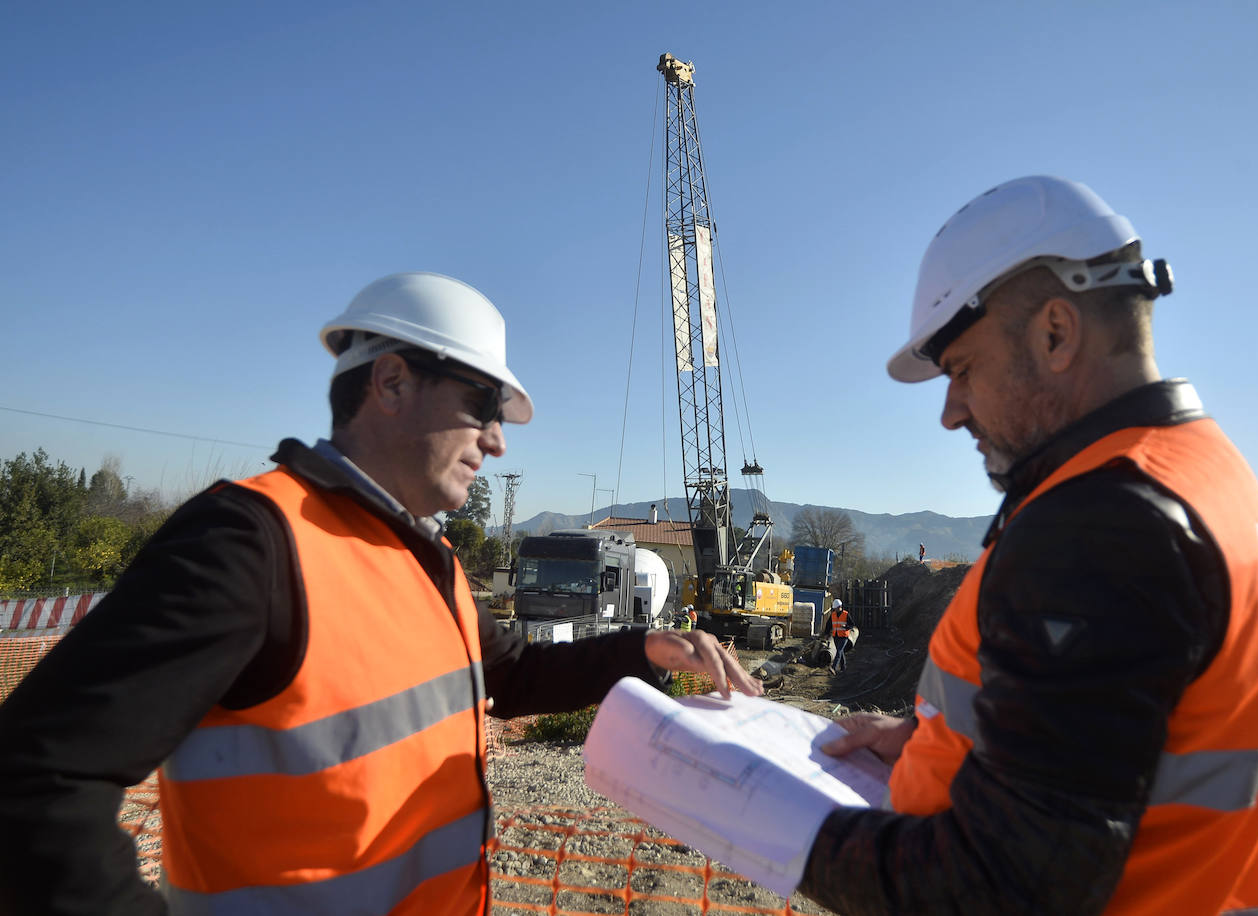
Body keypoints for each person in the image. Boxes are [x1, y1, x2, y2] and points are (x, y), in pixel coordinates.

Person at [0, 271, 760, 916]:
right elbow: (35, 780)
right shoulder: (251, 544)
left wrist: (647, 647)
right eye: (483, 405)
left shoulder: (425, 557)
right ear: (392, 381)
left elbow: (513, 674)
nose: (497, 441)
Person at [797, 176, 1258, 914]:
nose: (950, 413)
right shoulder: (1201, 471)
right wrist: (930, 743)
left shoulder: (1102, 526)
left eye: (962, 371)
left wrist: (782, 828)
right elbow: (1115, 744)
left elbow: (1006, 888)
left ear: (1056, 333)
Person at [825, 598, 852, 675]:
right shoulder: (833, 615)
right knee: (841, 651)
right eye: (834, 609)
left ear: (840, 607)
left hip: (844, 636)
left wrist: (846, 626)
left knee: (839, 651)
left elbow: (851, 624)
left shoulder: (846, 614)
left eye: (836, 608)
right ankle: (843, 667)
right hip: (836, 636)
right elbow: (828, 625)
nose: (835, 610)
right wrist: (826, 633)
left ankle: (833, 667)